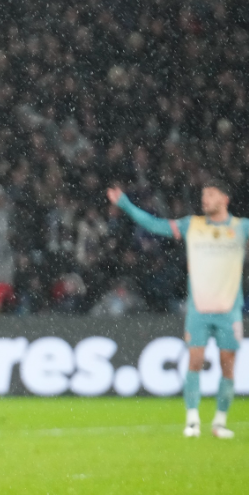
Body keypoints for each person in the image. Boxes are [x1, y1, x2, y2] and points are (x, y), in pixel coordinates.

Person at [107, 181, 247, 438]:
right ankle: (192, 420)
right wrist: (125, 204)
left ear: (225, 199)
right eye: (203, 195)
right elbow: (154, 225)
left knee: (228, 365)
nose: (205, 200)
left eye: (211, 195)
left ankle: (219, 422)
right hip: (199, 309)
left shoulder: (241, 228)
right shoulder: (192, 225)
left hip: (229, 310)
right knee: (195, 361)